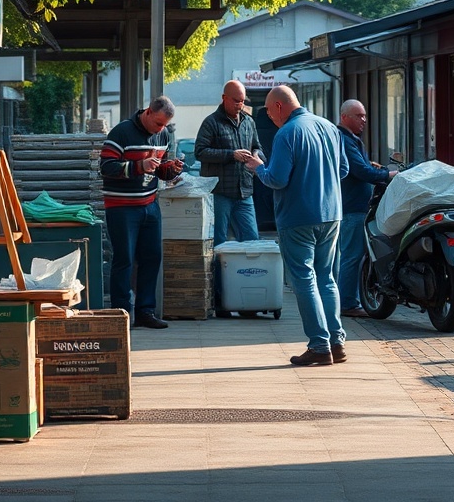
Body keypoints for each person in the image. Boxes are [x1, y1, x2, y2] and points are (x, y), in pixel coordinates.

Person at [246, 86, 348, 366]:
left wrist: (257, 167)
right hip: (331, 213)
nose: (268, 116)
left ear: (279, 106)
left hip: (298, 216)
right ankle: (337, 342)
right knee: (326, 278)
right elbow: (343, 170)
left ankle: (319, 345)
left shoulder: (287, 133)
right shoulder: (328, 127)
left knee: (304, 279)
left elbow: (276, 179)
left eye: (268, 110)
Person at [100, 96, 182, 329]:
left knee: (151, 257)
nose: (161, 129)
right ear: (147, 112)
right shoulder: (121, 132)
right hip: (122, 207)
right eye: (157, 123)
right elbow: (105, 167)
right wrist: (138, 166)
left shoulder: (163, 135)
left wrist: (171, 170)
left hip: (149, 204)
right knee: (124, 259)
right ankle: (122, 312)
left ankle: (146, 311)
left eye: (165, 125)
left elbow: (160, 171)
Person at [336, 99, 397, 318]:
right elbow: (359, 171)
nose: (363, 120)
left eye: (364, 115)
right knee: (352, 256)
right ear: (344, 117)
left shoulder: (352, 140)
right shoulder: (344, 140)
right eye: (358, 116)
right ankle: (347, 304)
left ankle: (348, 301)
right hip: (353, 208)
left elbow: (361, 167)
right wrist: (388, 175)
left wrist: (372, 166)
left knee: (354, 255)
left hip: (358, 206)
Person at [194, 80, 264, 244]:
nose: (240, 105)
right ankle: (218, 270)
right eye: (236, 100)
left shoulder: (249, 121)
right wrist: (231, 155)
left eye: (242, 101)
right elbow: (200, 152)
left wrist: (256, 155)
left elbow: (258, 146)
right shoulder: (211, 122)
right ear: (224, 98)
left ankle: (247, 270)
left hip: (245, 192)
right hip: (220, 193)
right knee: (218, 241)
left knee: (252, 240)